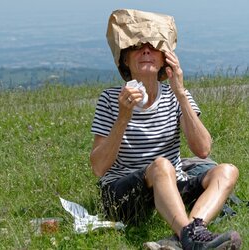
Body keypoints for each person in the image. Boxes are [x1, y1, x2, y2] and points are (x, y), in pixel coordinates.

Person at [90, 9, 242, 250]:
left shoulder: (176, 96)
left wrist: (181, 93)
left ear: (165, 59)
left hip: (171, 187)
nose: (146, 50)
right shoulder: (110, 99)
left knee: (227, 171)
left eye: (153, 46)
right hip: (124, 192)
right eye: (137, 47)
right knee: (162, 165)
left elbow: (203, 149)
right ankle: (191, 238)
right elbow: (98, 168)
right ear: (125, 60)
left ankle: (186, 235)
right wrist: (123, 117)